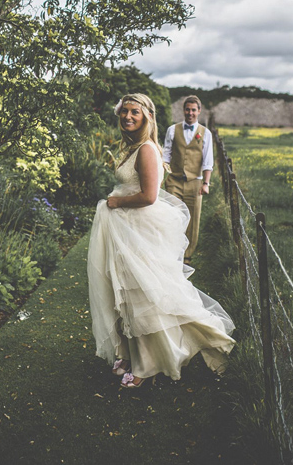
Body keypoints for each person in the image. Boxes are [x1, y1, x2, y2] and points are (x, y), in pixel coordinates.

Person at [87, 93, 235, 390]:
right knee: (125, 293)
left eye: (135, 113)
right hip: (124, 228)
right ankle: (130, 354)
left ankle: (147, 364)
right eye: (124, 112)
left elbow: (149, 196)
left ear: (147, 117)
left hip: (138, 227)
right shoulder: (131, 147)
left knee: (143, 294)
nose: (127, 117)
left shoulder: (146, 150)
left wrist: (115, 204)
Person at [162, 95, 212, 264]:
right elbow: (166, 154)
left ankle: (187, 256)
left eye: (193, 110)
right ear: (183, 110)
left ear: (199, 111)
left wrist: (206, 183)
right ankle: (172, 250)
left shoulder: (206, 133)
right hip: (174, 181)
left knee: (192, 218)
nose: (190, 113)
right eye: (187, 109)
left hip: (195, 183)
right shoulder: (172, 130)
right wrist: (163, 175)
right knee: (174, 217)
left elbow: (207, 161)